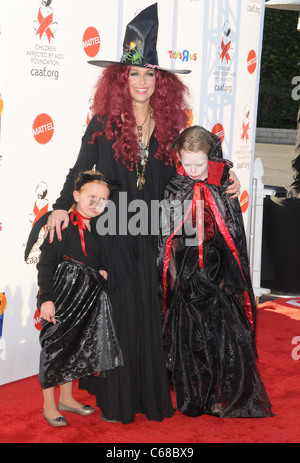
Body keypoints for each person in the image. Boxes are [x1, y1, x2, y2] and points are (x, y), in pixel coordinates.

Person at [44, 4, 241, 424]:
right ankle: (115, 397)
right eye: (134, 73)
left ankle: (148, 394)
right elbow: (80, 170)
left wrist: (229, 182)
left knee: (149, 312)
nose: (142, 82)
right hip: (112, 230)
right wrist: (62, 206)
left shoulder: (172, 125)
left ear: (162, 81)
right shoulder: (102, 121)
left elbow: (199, 161)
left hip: (153, 231)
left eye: (150, 73)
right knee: (118, 310)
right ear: (120, 79)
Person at [157, 126, 274, 418]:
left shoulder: (222, 183)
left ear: (211, 158)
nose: (194, 170)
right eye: (188, 163)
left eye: (201, 163)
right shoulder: (174, 185)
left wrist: (227, 275)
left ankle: (226, 395)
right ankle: (195, 396)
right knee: (189, 338)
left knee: (224, 335)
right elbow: (165, 238)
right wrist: (173, 276)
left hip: (217, 270)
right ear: (178, 158)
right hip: (185, 273)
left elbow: (232, 233)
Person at [36, 170, 123, 427]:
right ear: (76, 195)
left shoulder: (97, 227)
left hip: (84, 300)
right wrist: (46, 299)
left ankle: (66, 399)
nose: (97, 204)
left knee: (73, 350)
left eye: (103, 200)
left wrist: (100, 270)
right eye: (91, 197)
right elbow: (46, 264)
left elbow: (92, 258)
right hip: (61, 299)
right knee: (54, 351)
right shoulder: (62, 224)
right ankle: (49, 405)